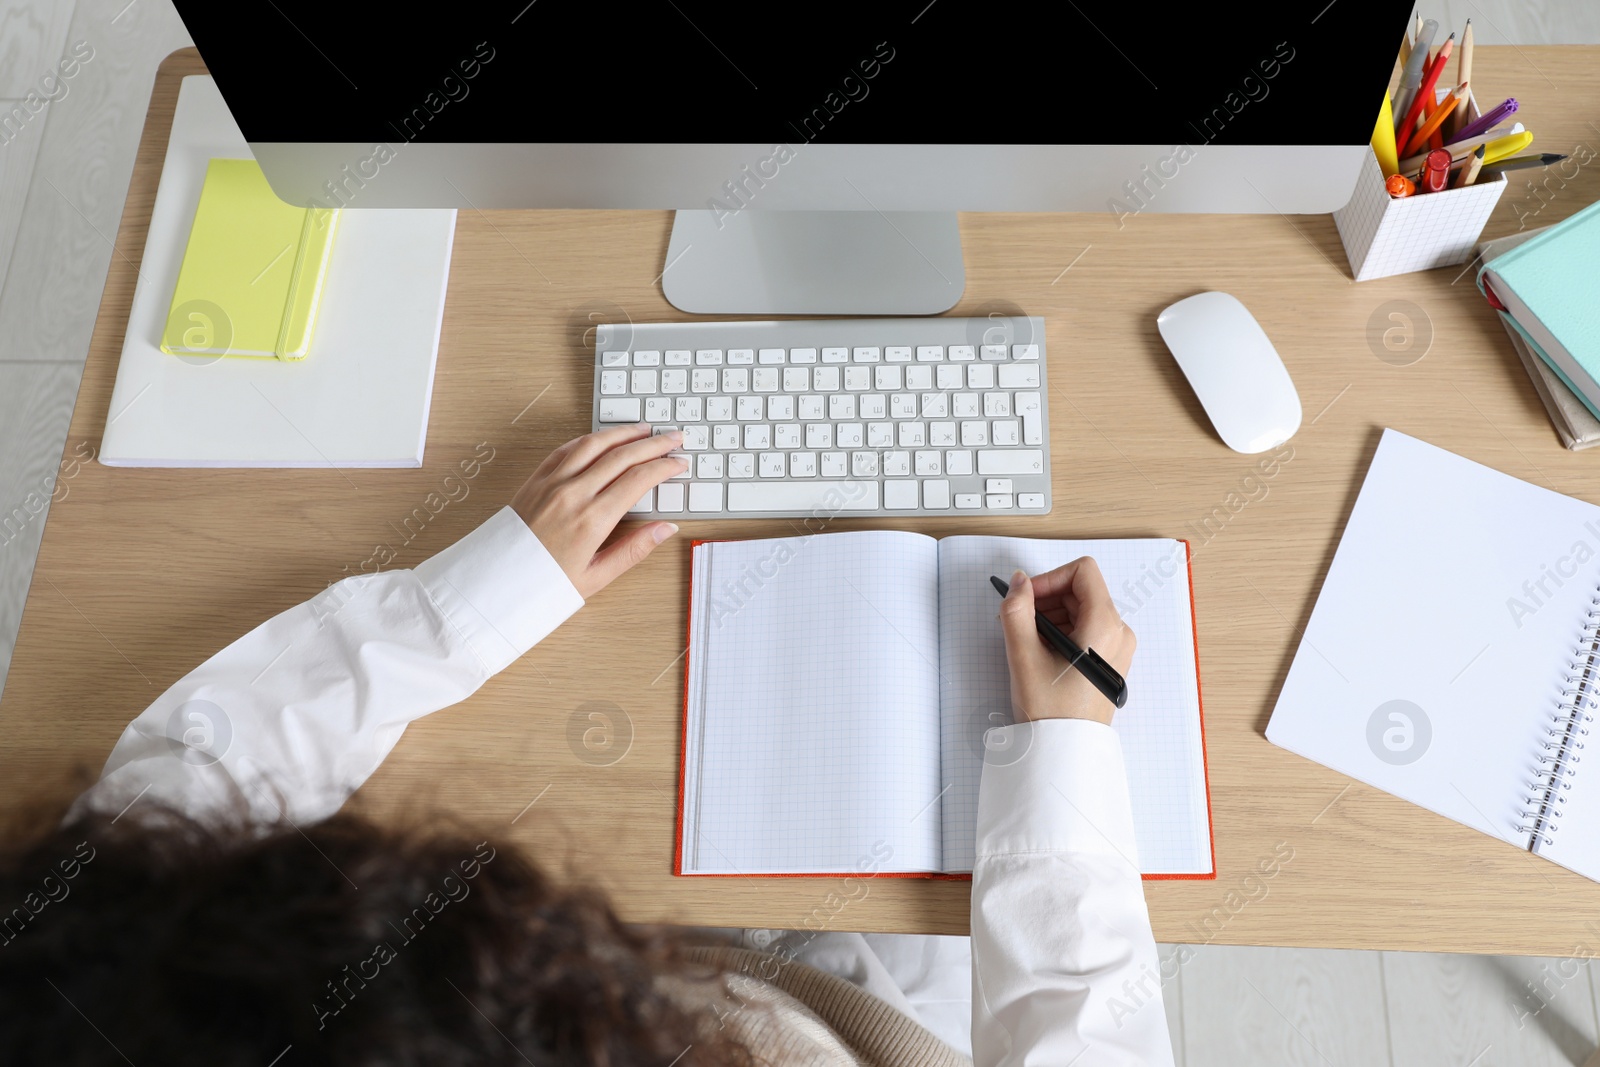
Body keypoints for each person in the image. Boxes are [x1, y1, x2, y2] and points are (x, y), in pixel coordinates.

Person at [0, 425, 1172, 1066]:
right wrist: (1065, 755)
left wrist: (477, 598)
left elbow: (174, 809)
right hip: (873, 1024)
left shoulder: (102, 997)